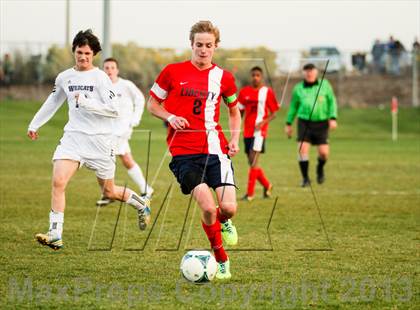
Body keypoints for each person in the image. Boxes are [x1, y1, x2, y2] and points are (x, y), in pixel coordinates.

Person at [27, 30, 150, 250]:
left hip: (101, 143)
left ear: (93, 55)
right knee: (58, 181)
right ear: (73, 51)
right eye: (79, 52)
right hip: (73, 138)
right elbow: (52, 102)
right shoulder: (64, 77)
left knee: (109, 192)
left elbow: (114, 111)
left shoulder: (101, 78)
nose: (82, 57)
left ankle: (141, 203)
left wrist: (86, 102)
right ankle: (55, 233)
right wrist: (35, 124)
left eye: (87, 53)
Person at [147, 21, 240, 280]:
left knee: (228, 209)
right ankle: (222, 260)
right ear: (191, 44)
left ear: (215, 47)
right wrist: (170, 116)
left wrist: (234, 139)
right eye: (199, 45)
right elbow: (152, 104)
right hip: (184, 154)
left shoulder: (224, 77)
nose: (203, 50)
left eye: (208, 46)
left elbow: (234, 111)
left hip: (216, 149)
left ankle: (225, 222)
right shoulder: (172, 72)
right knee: (209, 208)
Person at [96, 57, 154, 207]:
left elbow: (140, 99)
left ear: (117, 70)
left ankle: (108, 193)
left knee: (105, 158)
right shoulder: (101, 87)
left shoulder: (126, 85)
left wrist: (135, 119)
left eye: (112, 67)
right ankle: (146, 189)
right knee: (126, 159)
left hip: (122, 129)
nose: (109, 70)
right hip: (107, 130)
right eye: (106, 68)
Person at [285, 63, 338, 187]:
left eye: (311, 71)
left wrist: (333, 117)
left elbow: (332, 102)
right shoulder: (298, 88)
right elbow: (293, 106)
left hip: (322, 122)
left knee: (324, 153)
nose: (309, 73)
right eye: (307, 71)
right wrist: (288, 123)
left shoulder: (325, 85)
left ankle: (320, 169)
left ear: (316, 72)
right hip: (304, 122)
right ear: (303, 73)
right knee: (302, 149)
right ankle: (305, 178)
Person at [238, 66, 279, 201]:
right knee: (251, 162)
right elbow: (240, 111)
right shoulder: (244, 92)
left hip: (259, 132)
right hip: (247, 131)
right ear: (250, 77)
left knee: (254, 160)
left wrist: (262, 123)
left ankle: (250, 194)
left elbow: (274, 114)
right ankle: (267, 185)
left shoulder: (267, 92)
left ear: (261, 77)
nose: (255, 77)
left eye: (258, 75)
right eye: (253, 75)